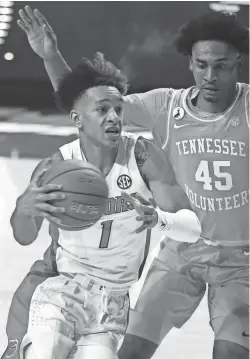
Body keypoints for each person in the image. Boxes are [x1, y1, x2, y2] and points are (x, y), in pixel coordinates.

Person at [2, 6, 249, 359]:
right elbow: (87, 101)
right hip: (181, 252)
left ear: (238, 63)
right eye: (202, 64)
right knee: (129, 352)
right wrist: (50, 56)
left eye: (221, 65)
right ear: (190, 63)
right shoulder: (165, 105)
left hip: (240, 259)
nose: (210, 75)